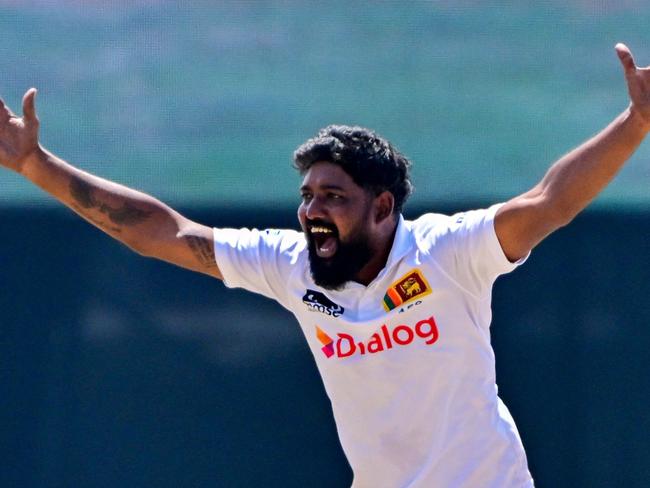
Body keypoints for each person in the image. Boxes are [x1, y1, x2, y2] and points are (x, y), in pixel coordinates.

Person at [1, 43, 649, 487]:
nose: (312, 209)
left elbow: (549, 202)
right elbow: (162, 232)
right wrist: (37, 166)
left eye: (333, 196)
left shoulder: (448, 253)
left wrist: (634, 123)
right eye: (307, 195)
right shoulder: (294, 268)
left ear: (383, 206)